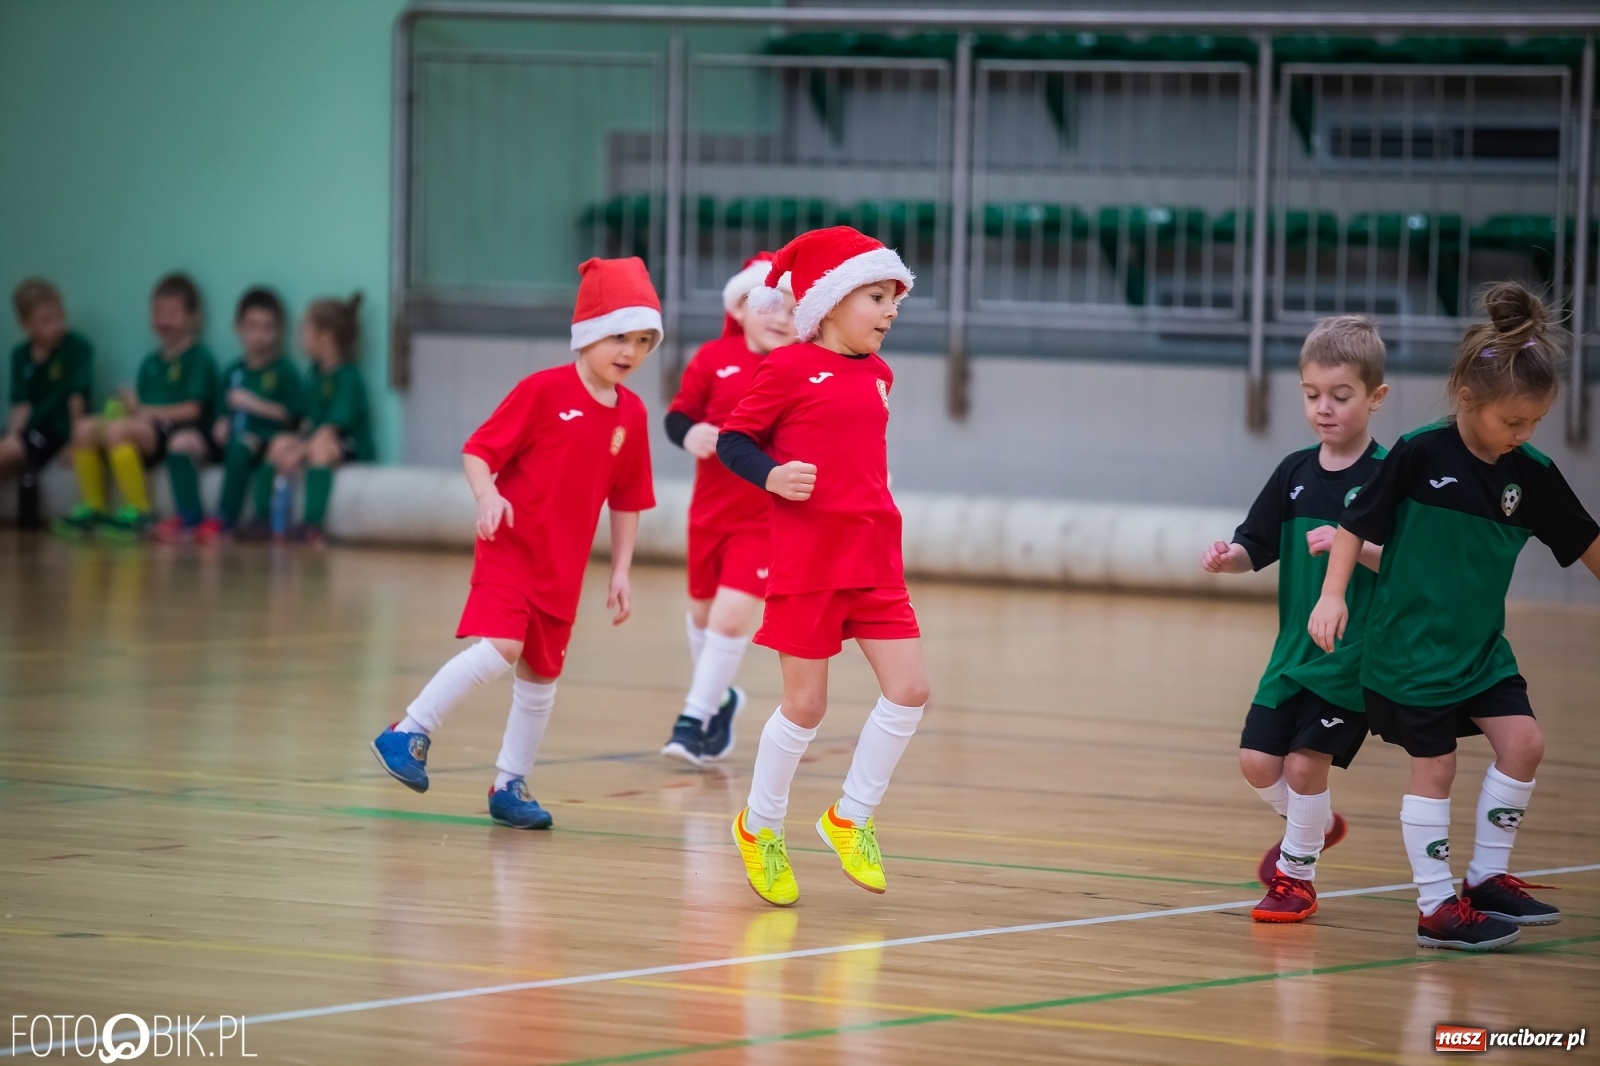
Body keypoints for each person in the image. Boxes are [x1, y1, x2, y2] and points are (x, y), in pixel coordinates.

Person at [1308, 282, 1600, 951]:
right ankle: (1437, 908)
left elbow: (1587, 541)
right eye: (1512, 423)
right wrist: (1332, 595)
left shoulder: (1530, 472)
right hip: (1409, 651)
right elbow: (1353, 525)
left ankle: (1487, 878)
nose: (1521, 436)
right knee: (1434, 769)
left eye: (1532, 424)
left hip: (1478, 650)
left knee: (1524, 744)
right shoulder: (1418, 453)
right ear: (1468, 398)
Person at [369, 257, 660, 829]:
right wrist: (487, 498)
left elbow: (627, 500)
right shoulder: (543, 391)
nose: (629, 350)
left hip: (563, 567)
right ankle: (409, 730)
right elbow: (479, 450)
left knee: (541, 677)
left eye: (643, 340)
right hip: (510, 547)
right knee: (501, 647)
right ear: (587, 333)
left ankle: (510, 784)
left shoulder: (633, 417)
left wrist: (621, 570)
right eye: (618, 335)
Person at [716, 226, 929, 907]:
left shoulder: (881, 374)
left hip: (875, 558)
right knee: (806, 705)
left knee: (910, 690)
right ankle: (761, 826)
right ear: (831, 302)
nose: (891, 311)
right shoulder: (782, 369)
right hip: (808, 562)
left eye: (894, 298)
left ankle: (851, 816)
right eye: (877, 296)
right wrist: (773, 477)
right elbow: (733, 441)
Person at [1202, 315, 1389, 923]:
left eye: (1341, 395)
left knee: (1308, 764)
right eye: (1312, 396)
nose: (1324, 409)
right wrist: (1229, 559)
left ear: (1376, 397)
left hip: (1353, 653)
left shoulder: (1393, 477)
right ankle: (1315, 826)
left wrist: (1350, 543)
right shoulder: (1293, 473)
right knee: (1258, 763)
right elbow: (1256, 546)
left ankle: (1296, 878)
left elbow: (1410, 566)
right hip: (1291, 652)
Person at [660, 254, 797, 765]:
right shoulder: (713, 359)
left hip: (764, 521)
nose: (780, 316)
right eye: (766, 304)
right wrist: (690, 432)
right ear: (737, 309)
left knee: (731, 617)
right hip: (709, 515)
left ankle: (692, 720)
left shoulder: (799, 369)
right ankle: (721, 699)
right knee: (701, 614)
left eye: (791, 306)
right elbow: (678, 416)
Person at [62, 273, 215, 540]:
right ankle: (94, 508)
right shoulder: (150, 362)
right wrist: (124, 407)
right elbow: (138, 408)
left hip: (174, 431)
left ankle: (141, 510)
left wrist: (142, 410)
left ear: (193, 317)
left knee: (118, 432)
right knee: (84, 428)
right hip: (145, 428)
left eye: (173, 312)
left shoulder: (198, 358)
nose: (164, 319)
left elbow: (192, 410)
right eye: (158, 311)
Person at [169, 287, 301, 543]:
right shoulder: (232, 371)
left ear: (279, 330)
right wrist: (220, 423)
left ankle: (226, 518)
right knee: (181, 443)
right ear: (238, 327)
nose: (259, 335)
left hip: (261, 442)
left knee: (241, 446)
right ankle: (189, 515)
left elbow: (293, 418)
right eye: (252, 326)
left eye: (267, 327)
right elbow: (219, 413)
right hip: (229, 441)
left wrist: (256, 404)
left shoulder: (285, 371)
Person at [253, 293, 373, 544]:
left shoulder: (348, 377)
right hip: (314, 439)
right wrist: (293, 445)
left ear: (325, 338)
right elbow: (306, 423)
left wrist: (301, 452)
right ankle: (262, 519)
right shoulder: (313, 376)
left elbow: (331, 429)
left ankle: (312, 525)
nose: (301, 337)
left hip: (347, 445)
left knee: (320, 449)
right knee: (279, 443)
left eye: (306, 330)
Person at [3, 279, 91, 529]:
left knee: (9, 451)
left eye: (60, 316)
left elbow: (77, 398)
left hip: (55, 432)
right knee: (8, 449)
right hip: (28, 432)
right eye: (46, 320)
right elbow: (22, 404)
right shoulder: (20, 355)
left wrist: (75, 441)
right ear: (25, 324)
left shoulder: (75, 348)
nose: (57, 325)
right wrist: (12, 436)